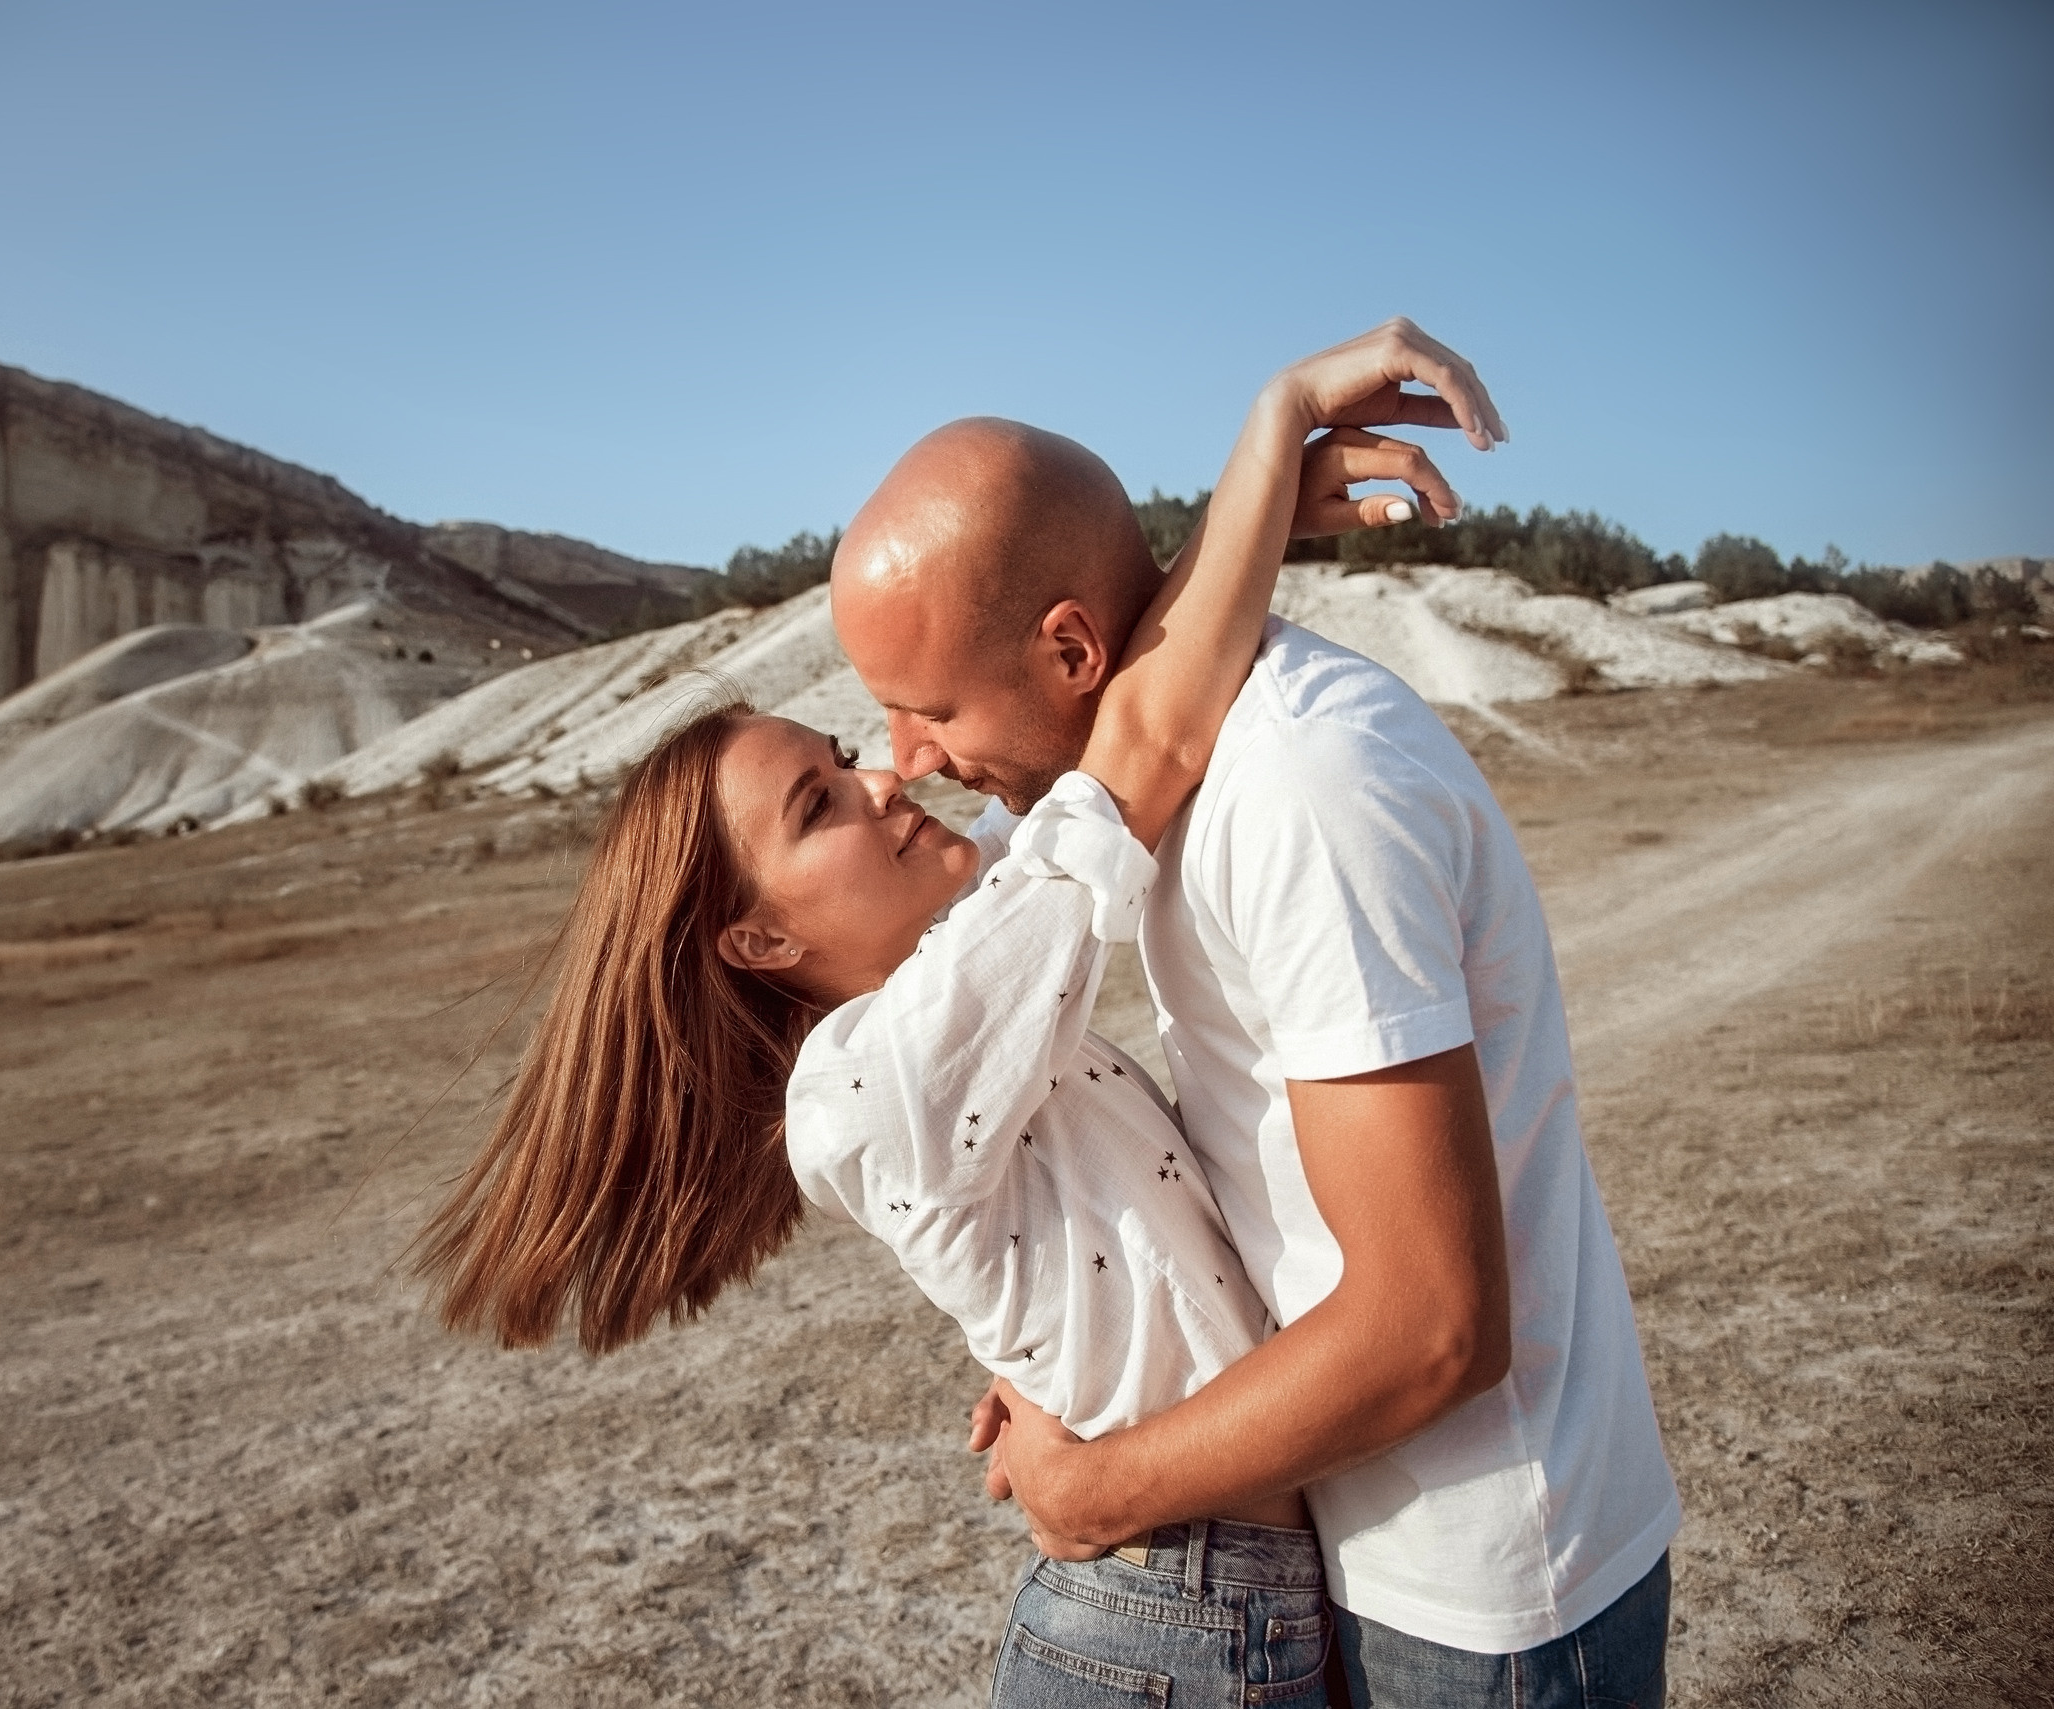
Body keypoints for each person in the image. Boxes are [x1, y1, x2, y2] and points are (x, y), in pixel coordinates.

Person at [415, 325, 1482, 1704]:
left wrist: (1215, 546)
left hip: (1225, 1588)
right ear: (759, 933)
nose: (885, 776)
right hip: (1158, 1619)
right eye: (819, 804)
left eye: (845, 754)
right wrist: (1269, 443)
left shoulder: (957, 960)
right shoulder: (861, 1093)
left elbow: (1079, 698)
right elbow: (1135, 748)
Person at [828, 318, 1678, 1707]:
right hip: (1358, 1518)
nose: (909, 764)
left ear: (1068, 650)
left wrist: (1097, 1485)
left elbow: (1432, 1324)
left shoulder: (1300, 790)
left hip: (1483, 1595)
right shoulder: (1143, 778)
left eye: (925, 710)